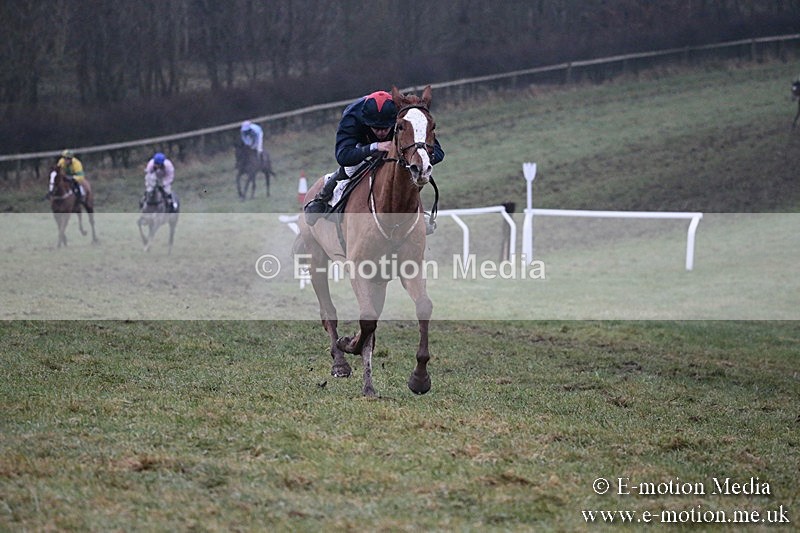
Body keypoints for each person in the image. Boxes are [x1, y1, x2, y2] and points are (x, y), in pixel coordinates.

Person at [303, 90, 445, 228]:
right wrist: (374, 147)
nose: (381, 132)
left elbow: (438, 153)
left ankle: (415, 214)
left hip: (398, 150)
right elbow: (343, 156)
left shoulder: (403, 113)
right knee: (351, 168)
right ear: (366, 122)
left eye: (385, 127)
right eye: (376, 128)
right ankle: (323, 198)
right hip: (361, 144)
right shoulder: (352, 116)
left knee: (410, 171)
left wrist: (413, 159)